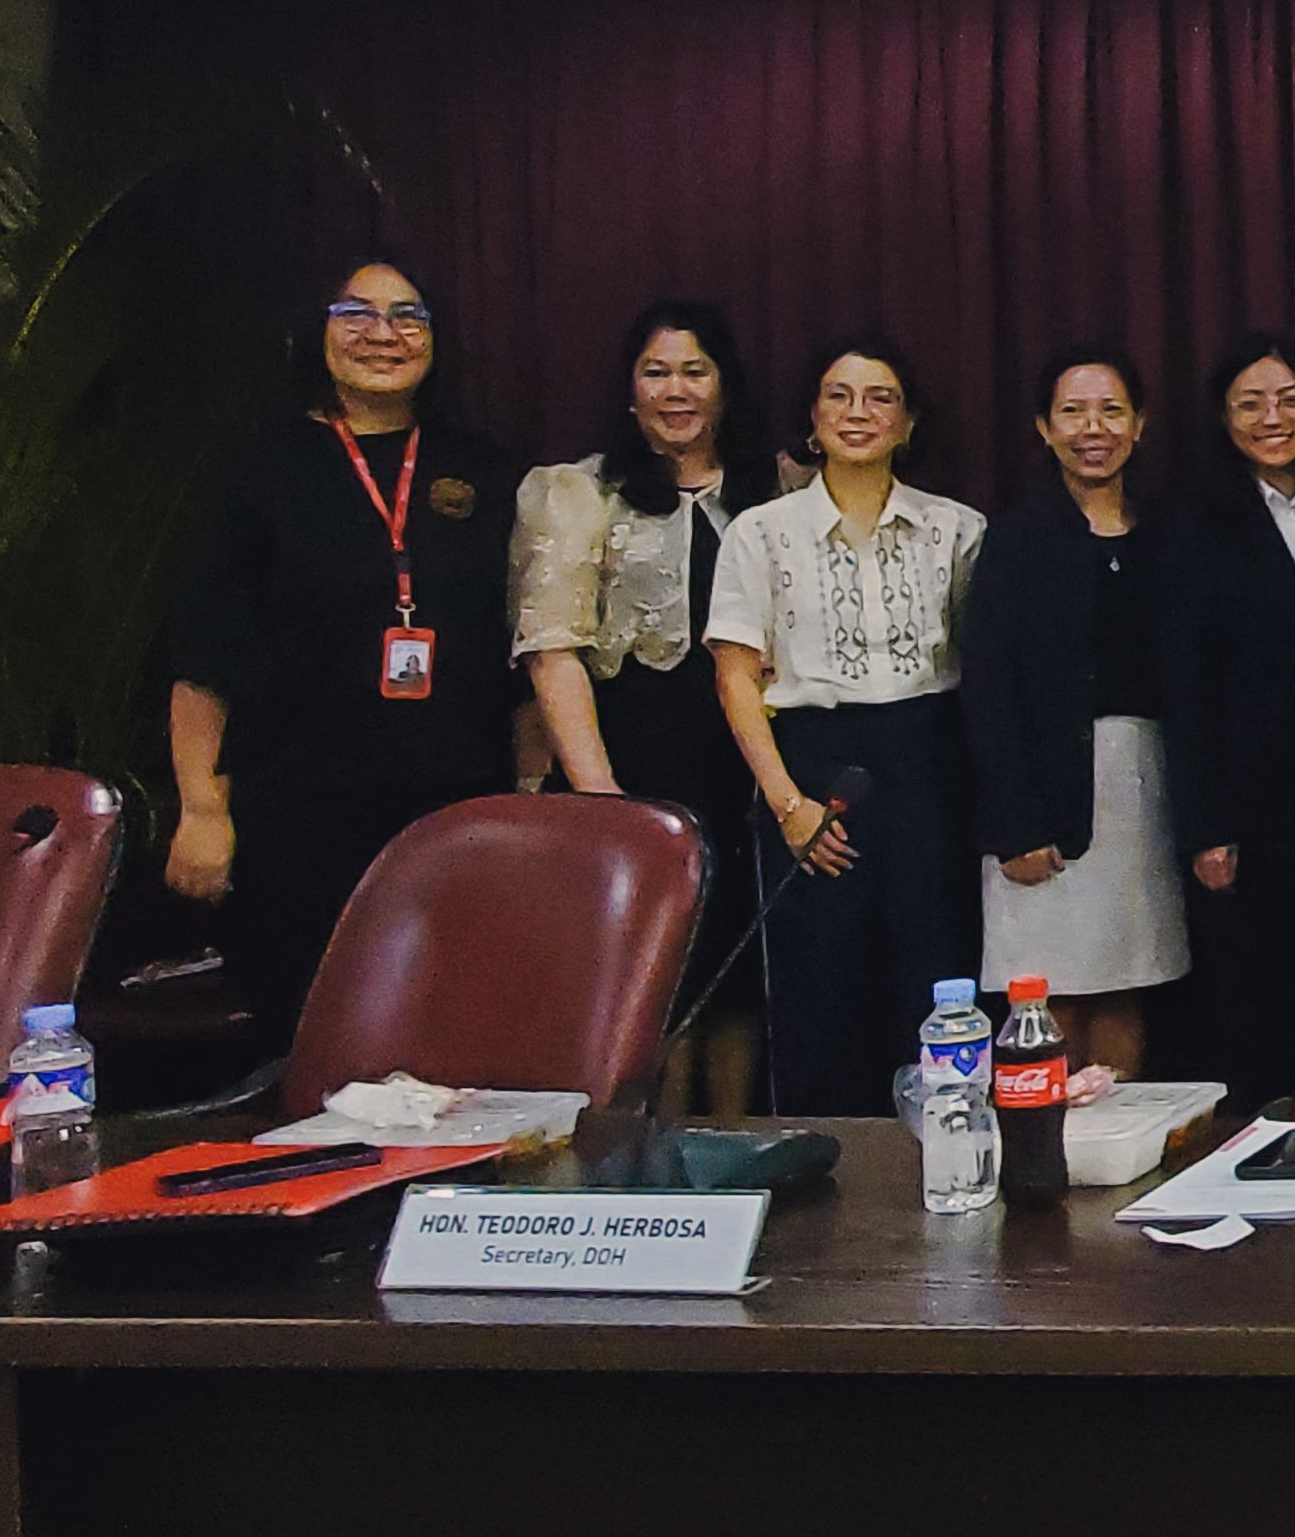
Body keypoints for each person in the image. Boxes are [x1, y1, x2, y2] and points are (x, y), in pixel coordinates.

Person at [163, 257, 526, 1044]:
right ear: (315, 332)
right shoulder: (261, 470)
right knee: (313, 1044)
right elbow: (204, 656)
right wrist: (201, 811)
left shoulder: (489, 471)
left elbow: (523, 653)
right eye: (356, 312)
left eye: (408, 316)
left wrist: (531, 797)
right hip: (298, 816)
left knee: (451, 1041)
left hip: (457, 814)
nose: (383, 335)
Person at [512, 300, 784, 1107]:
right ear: (630, 392)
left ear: (725, 388)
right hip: (630, 758)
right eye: (656, 372)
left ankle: (734, 1153)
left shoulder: (775, 490)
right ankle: (648, 1163)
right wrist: (601, 800)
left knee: (738, 975)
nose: (676, 391)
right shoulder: (579, 491)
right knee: (651, 975)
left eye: (694, 372)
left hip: (744, 763)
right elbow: (550, 650)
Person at [708, 341, 984, 1112]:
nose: (857, 414)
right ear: (812, 415)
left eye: (879, 398)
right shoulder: (759, 532)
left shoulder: (958, 529)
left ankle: (942, 1167)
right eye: (839, 396)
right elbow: (735, 675)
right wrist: (787, 803)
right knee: (818, 988)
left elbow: (983, 670)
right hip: (809, 764)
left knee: (934, 980)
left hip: (928, 765)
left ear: (909, 421)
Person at [961, 347, 1186, 1079]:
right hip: (1041, 791)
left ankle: (1117, 1166)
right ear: (1043, 428)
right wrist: (1013, 822)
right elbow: (987, 688)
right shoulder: (1015, 539)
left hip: (1141, 790)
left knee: (1127, 981)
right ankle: (1044, 1162)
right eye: (1074, 412)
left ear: (1140, 424)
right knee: (1046, 990)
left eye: (1112, 410)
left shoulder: (1167, 535)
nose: (1095, 428)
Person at [1168, 334, 1295, 1100]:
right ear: (1222, 417)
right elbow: (1185, 687)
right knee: (1262, 1001)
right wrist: (1206, 827)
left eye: (1289, 399)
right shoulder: (1191, 524)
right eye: (1250, 403)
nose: (1272, 418)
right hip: (1254, 806)